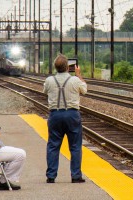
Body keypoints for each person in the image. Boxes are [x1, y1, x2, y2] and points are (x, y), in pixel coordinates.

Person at [43, 54, 87, 183]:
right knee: (75, 146)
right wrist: (79, 75)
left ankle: (51, 176)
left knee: (53, 145)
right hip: (72, 115)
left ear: (55, 67)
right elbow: (84, 90)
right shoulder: (75, 80)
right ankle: (76, 175)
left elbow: (45, 91)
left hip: (55, 115)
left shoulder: (49, 80)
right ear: (68, 67)